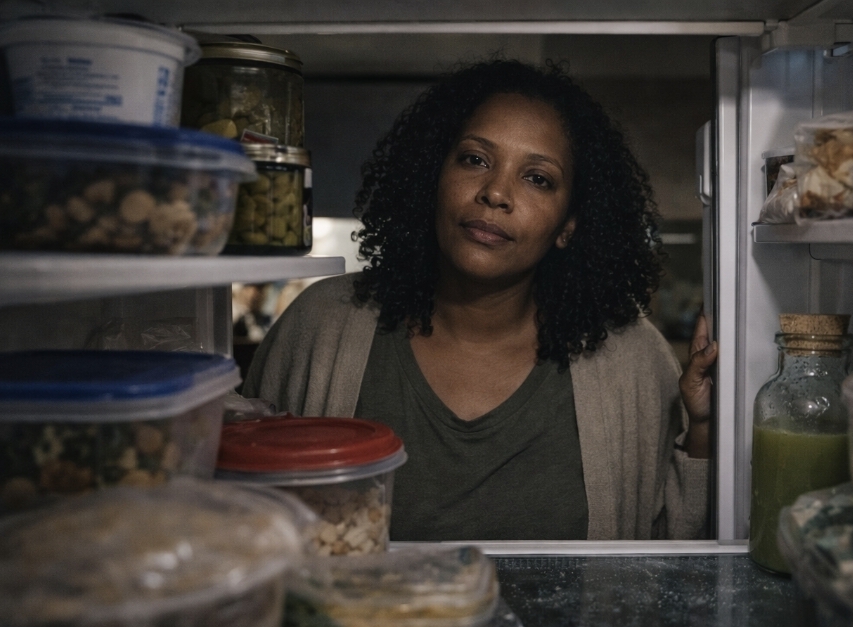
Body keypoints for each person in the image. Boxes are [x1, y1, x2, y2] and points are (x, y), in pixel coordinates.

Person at [242, 59, 717, 541]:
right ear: (434, 176)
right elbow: (238, 516)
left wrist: (702, 430)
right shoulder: (321, 326)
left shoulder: (631, 358)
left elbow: (671, 558)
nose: (495, 192)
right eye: (474, 159)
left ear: (568, 226)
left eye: (538, 178)